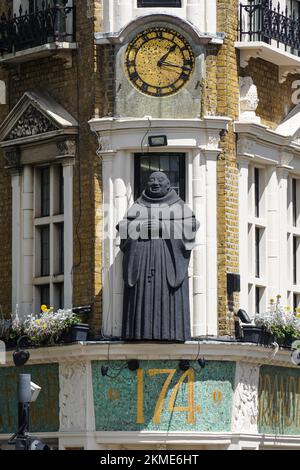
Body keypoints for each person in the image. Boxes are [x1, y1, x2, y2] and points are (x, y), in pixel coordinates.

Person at [117, 171, 199, 341]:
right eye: (152, 180)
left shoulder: (178, 205)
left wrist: (162, 227)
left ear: (168, 185)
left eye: (160, 180)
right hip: (142, 264)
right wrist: (141, 227)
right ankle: (138, 331)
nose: (155, 183)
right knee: (142, 301)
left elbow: (191, 226)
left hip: (167, 263)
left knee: (167, 299)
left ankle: (172, 331)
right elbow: (123, 227)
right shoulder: (138, 205)